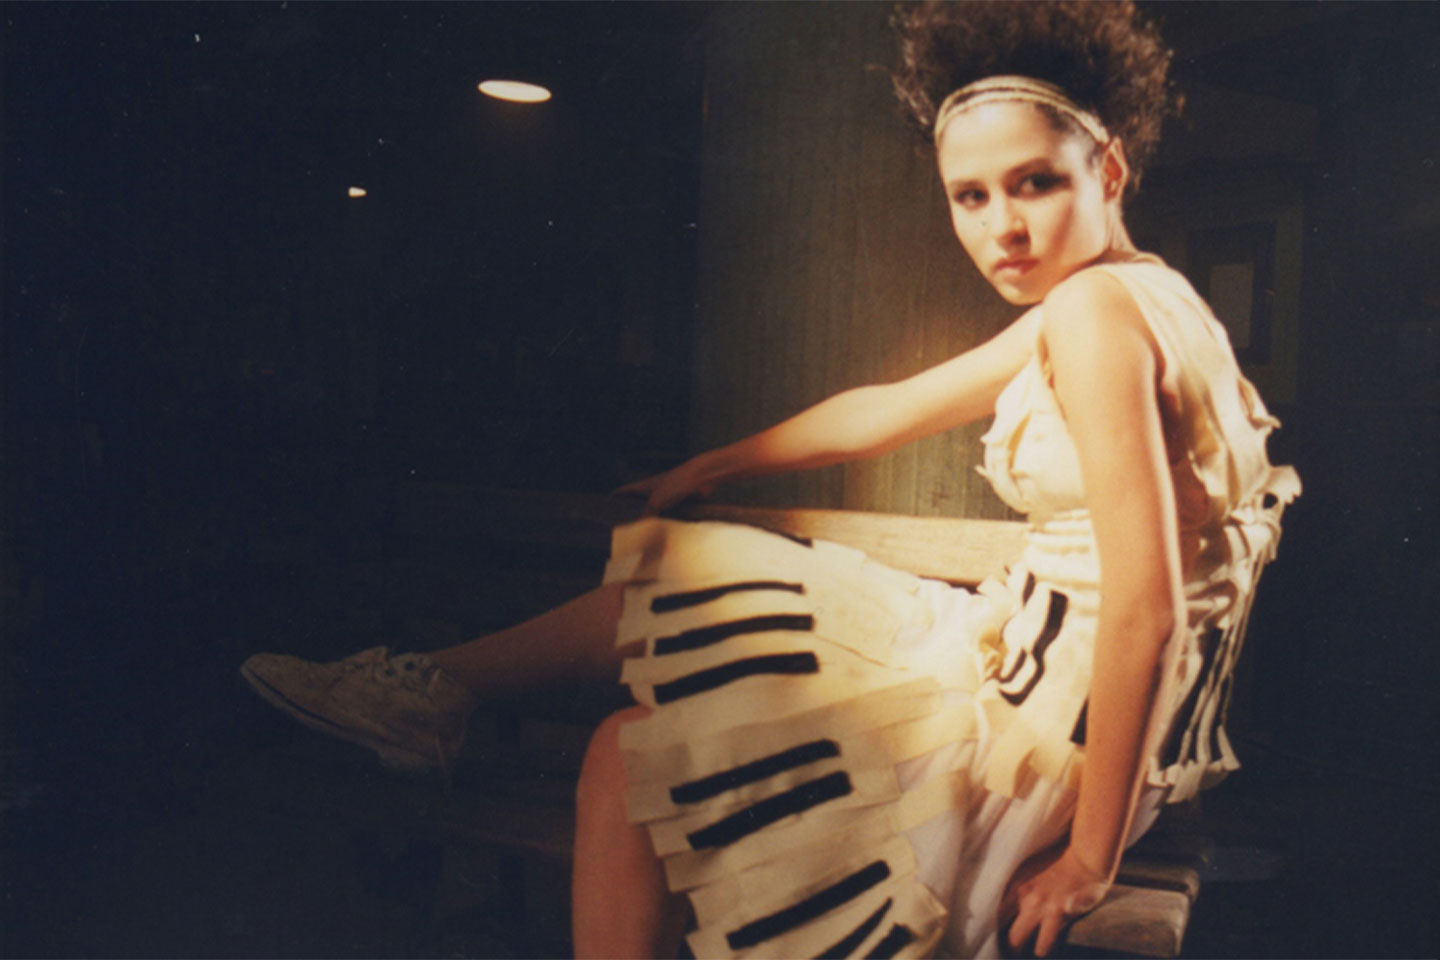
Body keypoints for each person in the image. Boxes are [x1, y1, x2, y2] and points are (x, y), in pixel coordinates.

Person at [241, 2, 1300, 956]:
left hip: (1049, 736)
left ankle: (430, 693)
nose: (1002, 228)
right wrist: (717, 461)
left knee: (639, 736)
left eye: (1035, 183)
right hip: (1042, 678)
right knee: (653, 675)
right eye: (969, 196)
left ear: (1107, 170)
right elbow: (891, 407)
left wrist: (1091, 860)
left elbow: (1150, 608)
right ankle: (435, 693)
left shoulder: (1095, 314)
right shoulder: (1136, 293)